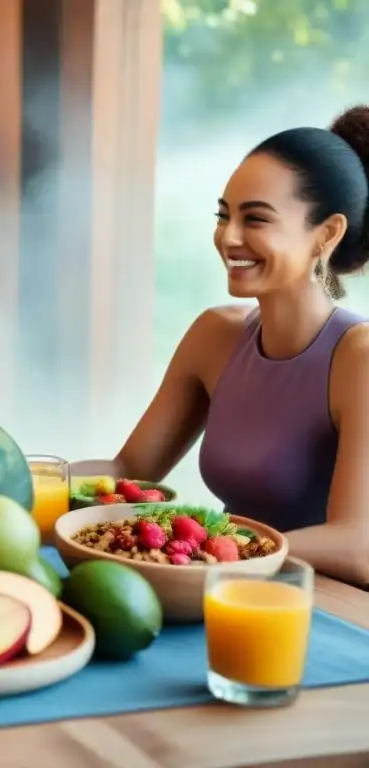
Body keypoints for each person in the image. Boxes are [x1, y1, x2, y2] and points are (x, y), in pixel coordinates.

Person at [73, 105, 369, 587]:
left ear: (326, 234)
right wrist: (30, 482)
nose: (228, 237)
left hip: (329, 608)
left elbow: (357, 545)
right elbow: (130, 472)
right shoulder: (215, 336)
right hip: (226, 586)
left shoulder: (359, 357)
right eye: (223, 215)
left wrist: (210, 547)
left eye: (256, 219)